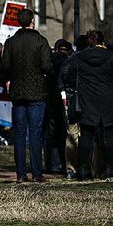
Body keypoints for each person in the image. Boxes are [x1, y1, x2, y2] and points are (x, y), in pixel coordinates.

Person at [65, 30, 113, 180]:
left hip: (87, 100)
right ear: (102, 42)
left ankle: (83, 170)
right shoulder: (111, 57)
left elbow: (69, 77)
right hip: (108, 100)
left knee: (86, 135)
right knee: (108, 135)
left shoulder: (79, 58)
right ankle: (108, 168)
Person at [1, 8, 52, 183]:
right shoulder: (41, 41)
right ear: (32, 21)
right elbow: (47, 66)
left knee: (20, 134)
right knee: (36, 133)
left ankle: (21, 174)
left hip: (18, 92)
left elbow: (5, 67)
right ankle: (37, 173)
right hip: (37, 92)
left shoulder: (11, 42)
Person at [59, 35, 88, 179]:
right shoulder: (88, 62)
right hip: (87, 101)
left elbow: (61, 82)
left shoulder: (68, 62)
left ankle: (71, 168)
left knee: (72, 133)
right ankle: (86, 166)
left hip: (71, 100)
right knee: (87, 134)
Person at [44, 39, 71, 175]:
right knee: (63, 135)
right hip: (62, 102)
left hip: (50, 101)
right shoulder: (68, 63)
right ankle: (62, 163)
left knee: (51, 135)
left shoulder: (49, 63)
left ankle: (52, 164)